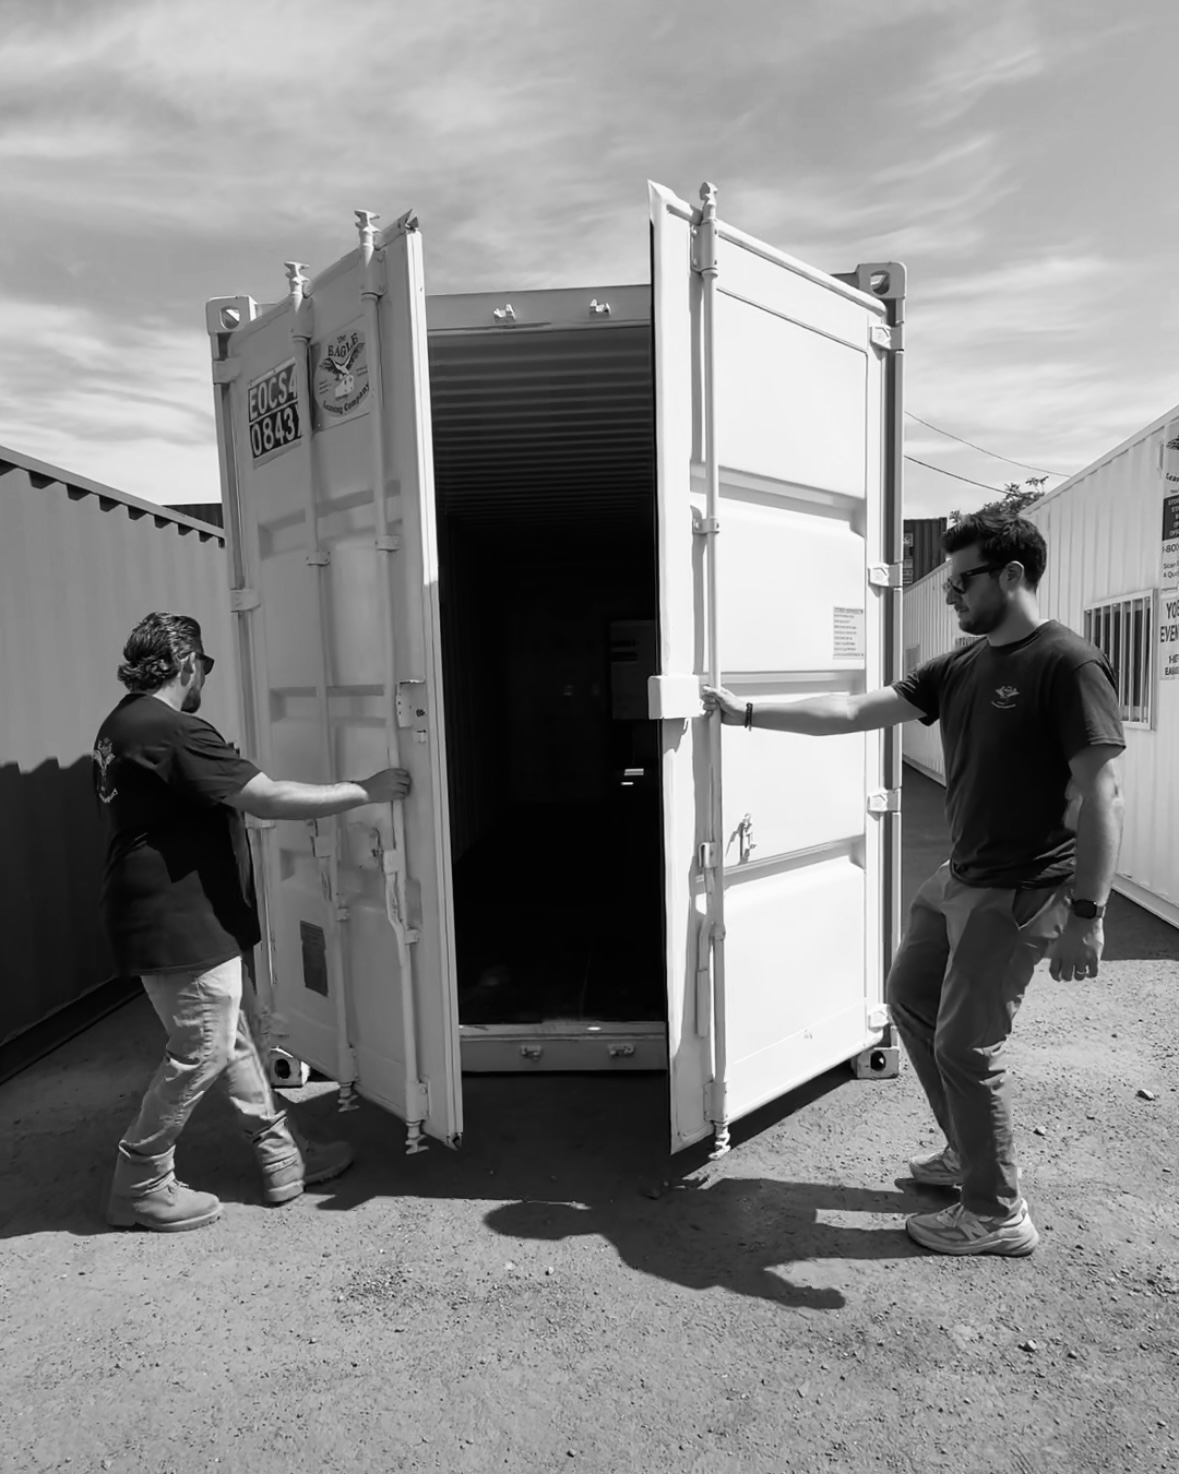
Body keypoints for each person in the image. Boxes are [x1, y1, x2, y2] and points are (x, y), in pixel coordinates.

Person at [704, 511, 1125, 1257]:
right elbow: (853, 710)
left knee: (967, 1047)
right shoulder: (961, 665)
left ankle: (996, 1212)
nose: (951, 593)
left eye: (962, 580)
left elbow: (1102, 794)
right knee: (909, 998)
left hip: (1021, 889)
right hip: (958, 875)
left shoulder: (1066, 664)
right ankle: (968, 1151)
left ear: (1012, 576)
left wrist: (1088, 916)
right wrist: (747, 714)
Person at [94, 611, 411, 1233]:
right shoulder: (172, 728)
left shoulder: (122, 724)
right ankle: (141, 1180)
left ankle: (283, 1157)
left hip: (184, 914)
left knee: (235, 1038)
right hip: (177, 919)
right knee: (201, 1050)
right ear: (187, 663)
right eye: (206, 665)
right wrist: (365, 790)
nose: (205, 676)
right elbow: (268, 797)